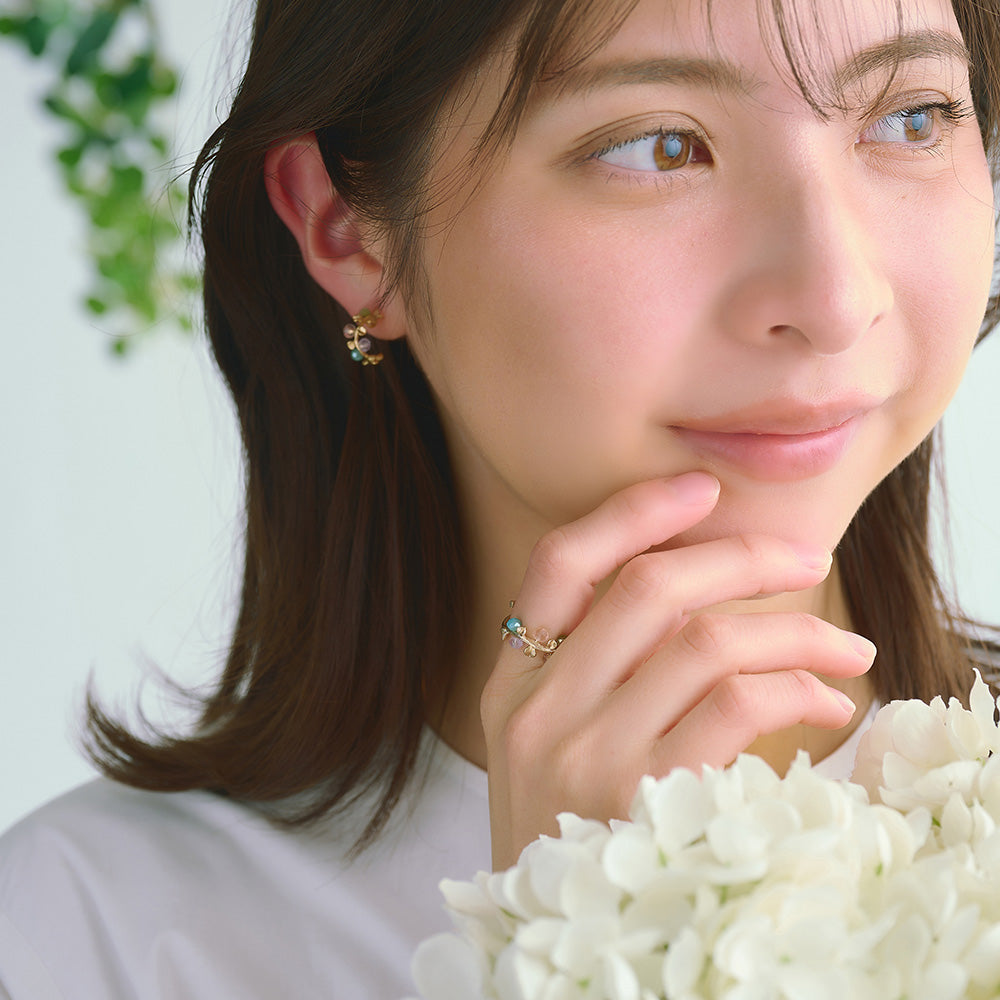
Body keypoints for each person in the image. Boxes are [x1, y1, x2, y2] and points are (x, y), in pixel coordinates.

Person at [2, 0, 998, 996]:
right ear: (347, 231)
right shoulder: (86, 935)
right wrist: (584, 936)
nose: (832, 299)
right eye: (658, 147)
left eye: (912, 119)